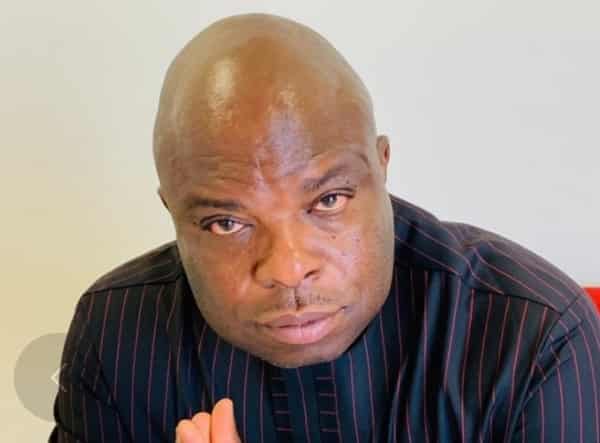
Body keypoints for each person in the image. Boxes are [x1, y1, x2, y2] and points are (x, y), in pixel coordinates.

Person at [49, 13, 600, 443]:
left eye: (328, 200)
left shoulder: (532, 335)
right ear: (172, 210)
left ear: (381, 167)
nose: (289, 268)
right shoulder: (116, 334)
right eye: (226, 222)